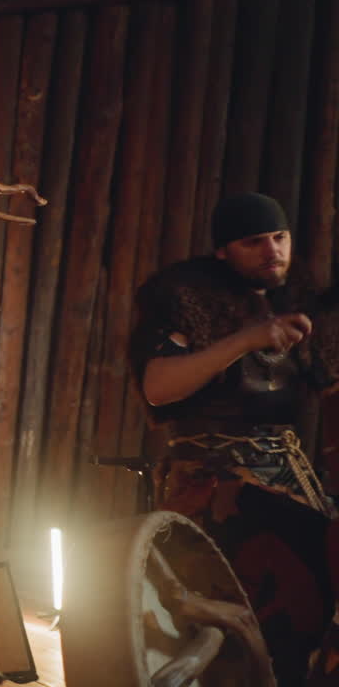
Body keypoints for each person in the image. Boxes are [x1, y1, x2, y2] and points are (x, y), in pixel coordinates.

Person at [129, 192, 339, 686]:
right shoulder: (184, 297)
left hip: (289, 473)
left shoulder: (297, 298)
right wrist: (246, 340)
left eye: (280, 238)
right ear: (223, 250)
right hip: (212, 479)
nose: (273, 251)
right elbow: (157, 387)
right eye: (255, 242)